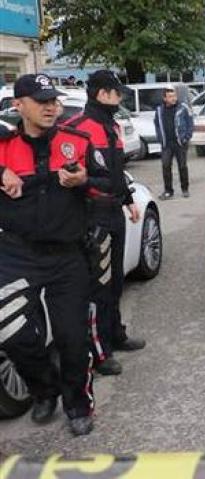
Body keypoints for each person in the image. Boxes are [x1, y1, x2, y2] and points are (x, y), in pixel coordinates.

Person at [0, 74, 100, 436]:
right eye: (40, 100)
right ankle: (44, 389)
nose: (50, 106)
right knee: (12, 335)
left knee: (72, 339)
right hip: (16, 254)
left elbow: (113, 190)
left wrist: (85, 182)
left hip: (67, 256)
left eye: (53, 100)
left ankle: (78, 405)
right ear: (18, 106)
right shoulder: (4, 145)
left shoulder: (79, 142)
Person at [62, 70, 147, 376]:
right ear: (102, 94)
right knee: (99, 286)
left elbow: (115, 172)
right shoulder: (76, 129)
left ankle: (116, 333)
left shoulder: (111, 126)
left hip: (114, 211)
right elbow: (69, 177)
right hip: (92, 214)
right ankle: (100, 352)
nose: (121, 98)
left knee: (115, 282)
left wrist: (128, 201)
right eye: (117, 93)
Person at [154, 86, 193, 200]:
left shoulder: (183, 108)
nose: (173, 98)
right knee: (166, 166)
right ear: (165, 98)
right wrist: (160, 138)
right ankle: (168, 191)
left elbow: (190, 123)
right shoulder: (159, 110)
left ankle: (185, 189)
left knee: (182, 166)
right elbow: (157, 124)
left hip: (180, 143)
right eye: (170, 96)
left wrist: (186, 137)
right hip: (167, 144)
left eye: (174, 96)